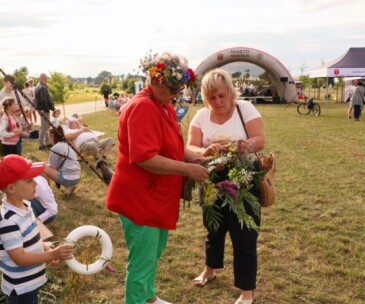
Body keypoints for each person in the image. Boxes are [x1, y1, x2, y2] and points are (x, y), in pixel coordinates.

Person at [106, 52, 209, 304]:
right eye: (173, 88)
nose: (176, 93)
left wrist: (195, 158)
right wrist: (187, 170)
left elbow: (173, 143)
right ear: (156, 80)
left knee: (153, 252)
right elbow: (145, 158)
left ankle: (148, 298)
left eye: (180, 88)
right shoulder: (142, 107)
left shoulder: (162, 105)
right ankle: (138, 300)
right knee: (142, 260)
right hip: (139, 198)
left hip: (155, 195)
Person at [187, 68, 265, 304]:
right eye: (211, 97)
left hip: (243, 179)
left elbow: (259, 140)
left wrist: (236, 148)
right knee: (214, 228)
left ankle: (246, 291)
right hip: (211, 179)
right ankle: (210, 269)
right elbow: (191, 147)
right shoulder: (200, 116)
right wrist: (206, 151)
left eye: (221, 95)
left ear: (230, 93)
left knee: (244, 233)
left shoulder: (245, 109)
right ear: (204, 96)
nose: (217, 101)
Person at [0, 155, 74, 304]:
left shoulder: (26, 206)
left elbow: (31, 235)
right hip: (20, 288)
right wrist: (51, 255)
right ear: (11, 188)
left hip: (30, 282)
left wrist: (43, 246)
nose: (35, 183)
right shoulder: (7, 222)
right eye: (29, 180)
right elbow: (20, 258)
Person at [64, 116, 114, 184]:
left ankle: (103, 159)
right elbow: (69, 137)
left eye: (76, 122)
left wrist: (85, 129)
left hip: (96, 142)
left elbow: (89, 130)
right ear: (70, 125)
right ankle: (100, 162)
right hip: (84, 145)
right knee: (92, 144)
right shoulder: (68, 131)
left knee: (110, 140)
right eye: (74, 123)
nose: (76, 123)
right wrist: (81, 131)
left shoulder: (81, 128)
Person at [43, 126, 81, 194]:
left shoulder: (55, 148)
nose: (49, 139)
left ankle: (47, 193)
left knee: (43, 167)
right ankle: (69, 187)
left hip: (68, 178)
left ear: (52, 136)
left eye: (48, 136)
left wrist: (45, 164)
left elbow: (52, 167)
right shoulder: (66, 144)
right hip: (76, 176)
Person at [35, 73, 55, 150]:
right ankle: (41, 144)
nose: (47, 79)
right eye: (46, 78)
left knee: (46, 127)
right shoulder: (42, 87)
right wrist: (48, 109)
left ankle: (47, 142)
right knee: (44, 127)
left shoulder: (38, 85)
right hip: (44, 110)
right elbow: (44, 100)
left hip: (41, 109)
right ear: (43, 78)